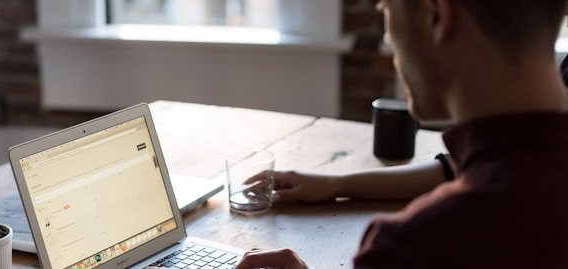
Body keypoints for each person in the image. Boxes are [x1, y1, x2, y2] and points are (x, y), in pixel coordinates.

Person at [236, 0, 568, 268]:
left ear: (436, 14)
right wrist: (337, 183)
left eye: (386, 8)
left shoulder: (414, 247)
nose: (389, 40)